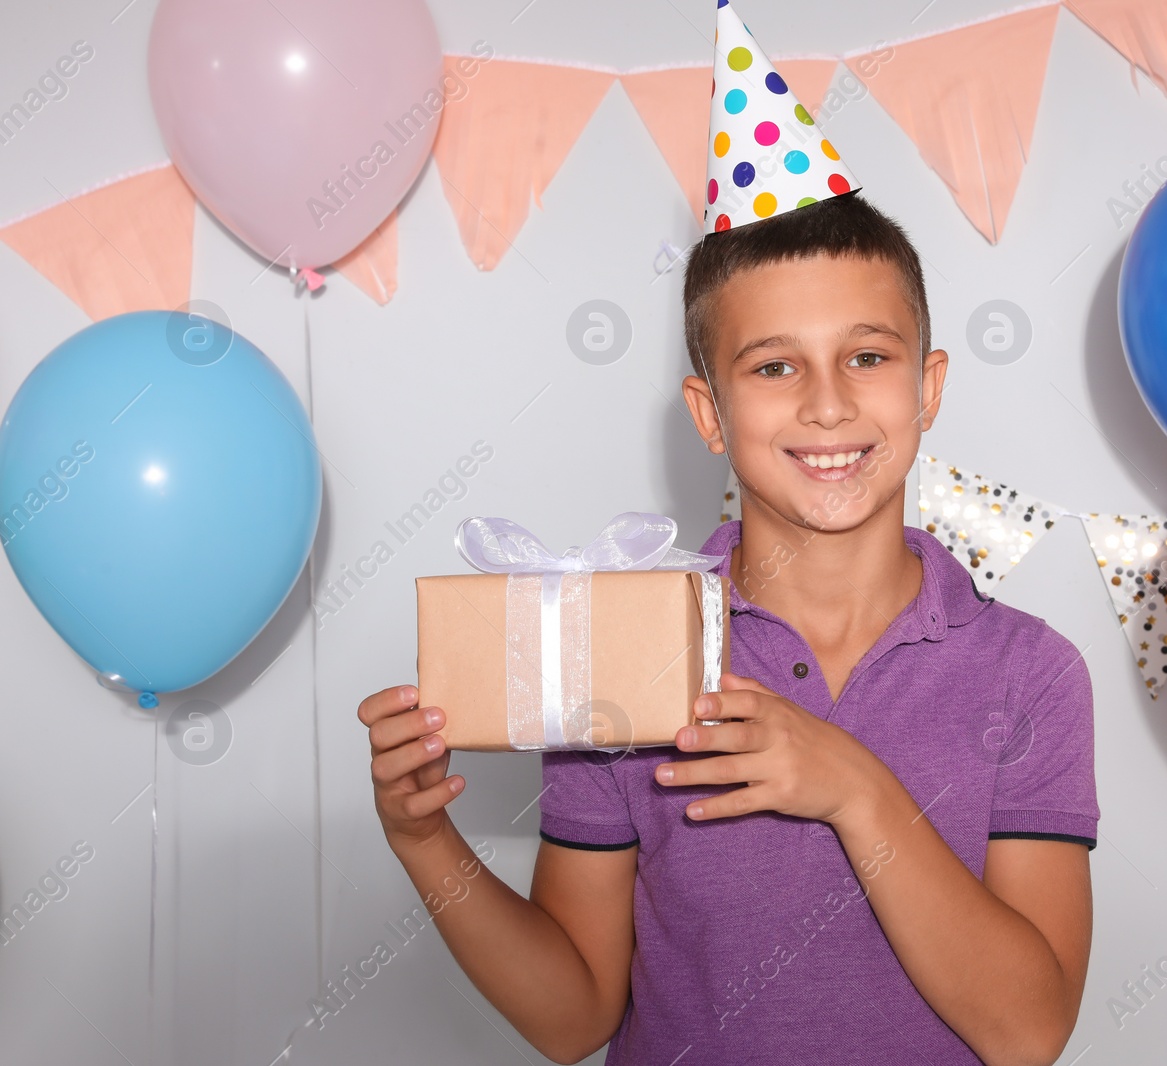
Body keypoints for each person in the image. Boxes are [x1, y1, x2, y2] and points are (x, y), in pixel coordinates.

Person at [358, 6, 1095, 1064]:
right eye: (774, 365)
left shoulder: (1030, 673)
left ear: (928, 387)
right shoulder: (622, 641)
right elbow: (573, 1021)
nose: (829, 404)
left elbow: (1027, 1031)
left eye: (869, 356)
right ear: (709, 413)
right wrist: (425, 843)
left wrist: (851, 786)